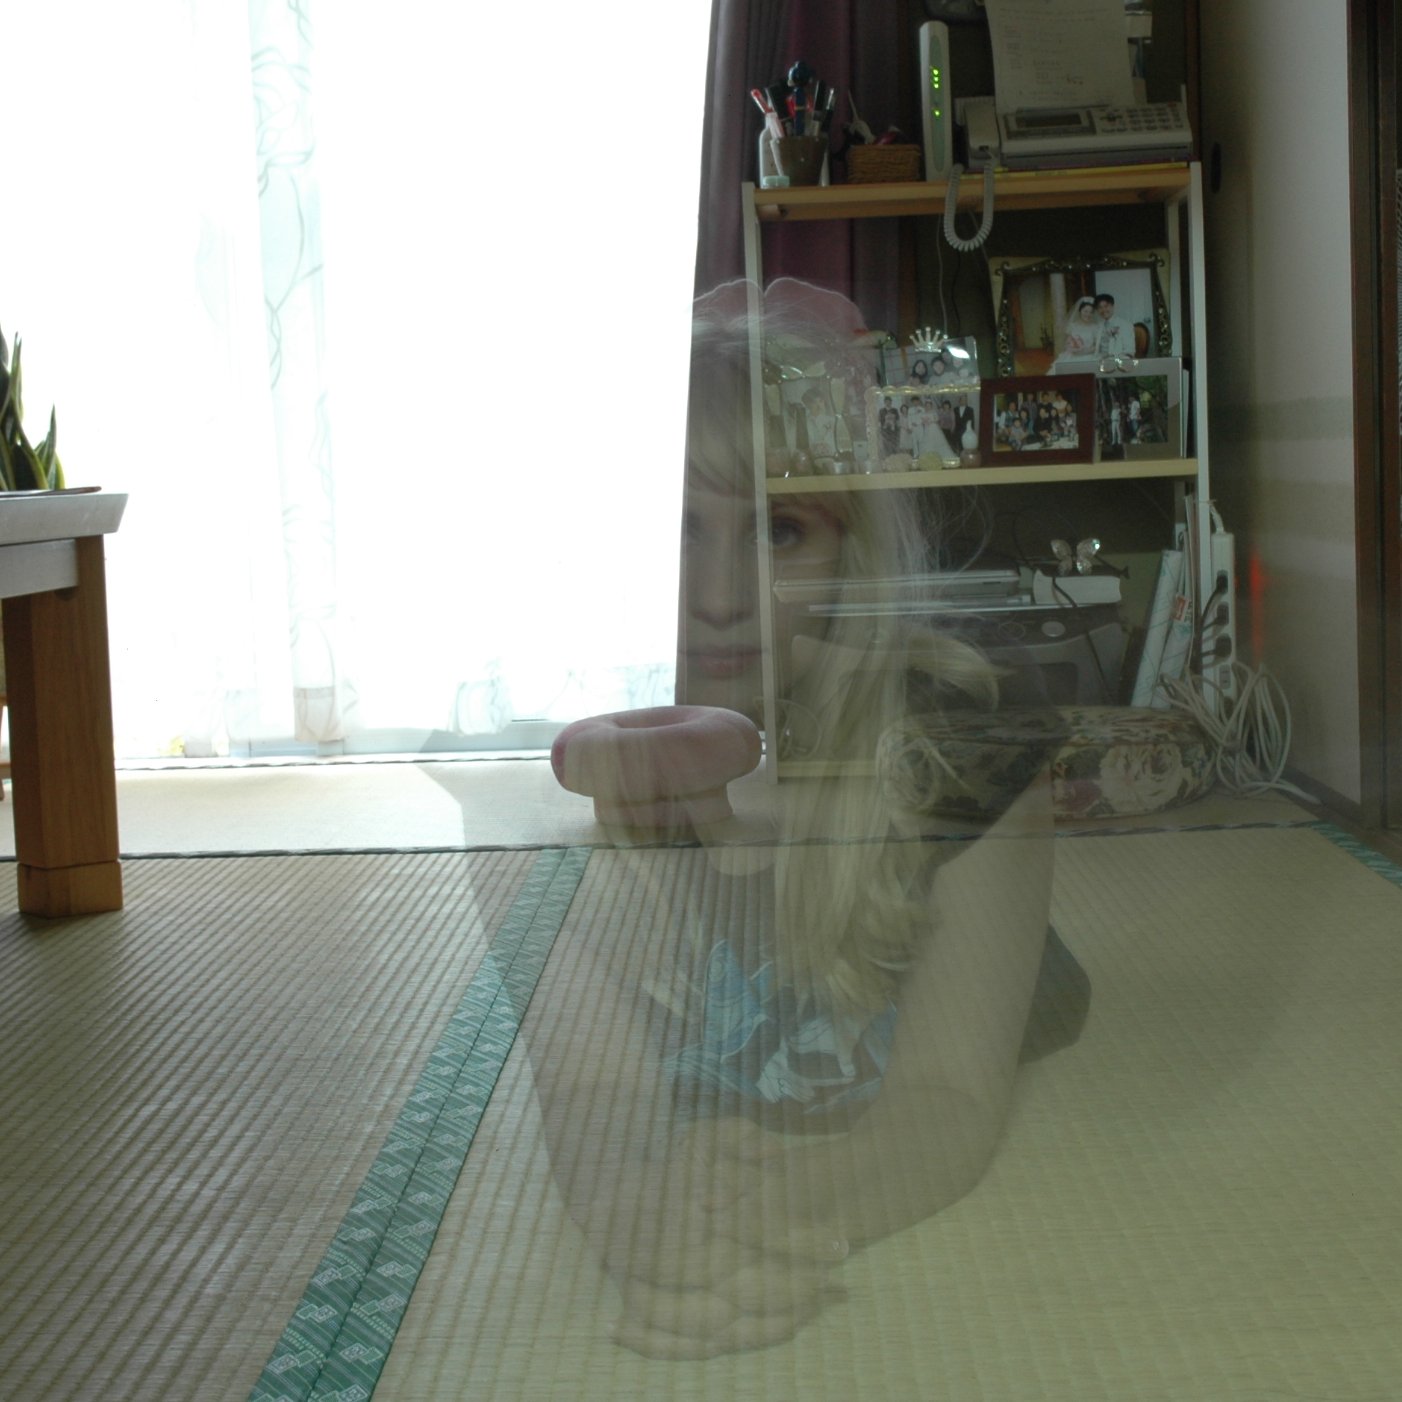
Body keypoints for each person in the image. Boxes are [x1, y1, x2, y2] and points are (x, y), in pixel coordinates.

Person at [529, 277, 1089, 1361]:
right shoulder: (574, 787)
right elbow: (597, 1118)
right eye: (673, 530)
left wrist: (786, 1221)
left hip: (978, 988)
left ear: (853, 551)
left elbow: (944, 1092)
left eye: (781, 530)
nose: (722, 594)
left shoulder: (962, 737)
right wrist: (667, 1249)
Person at [1093, 293, 1136, 358]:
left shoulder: (1125, 325)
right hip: (1099, 360)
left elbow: (1129, 351)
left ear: (1112, 306)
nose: (1103, 310)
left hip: (1118, 360)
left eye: (1106, 306)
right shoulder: (1098, 325)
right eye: (1100, 307)